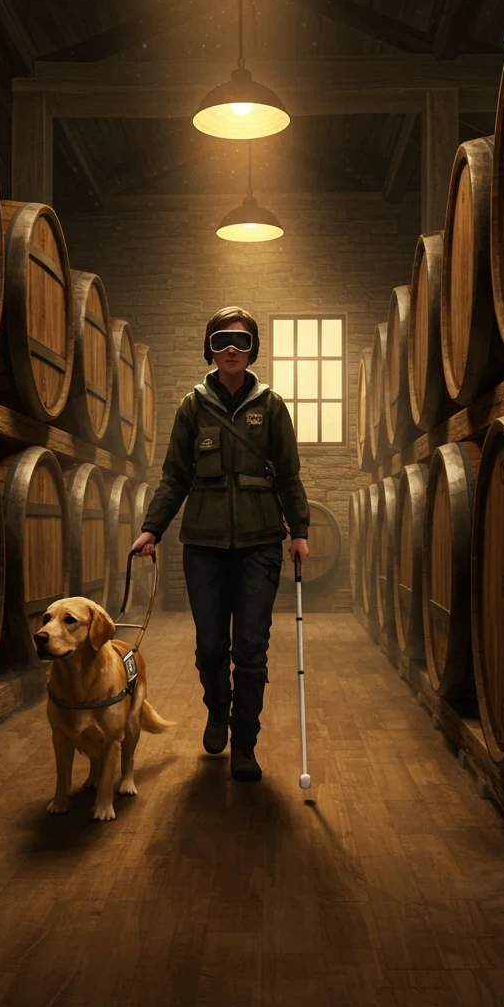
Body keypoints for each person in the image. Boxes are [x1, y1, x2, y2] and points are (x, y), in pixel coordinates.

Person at [130, 306, 310, 783]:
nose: (232, 348)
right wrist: (153, 527)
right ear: (209, 348)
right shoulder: (192, 406)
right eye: (222, 340)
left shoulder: (272, 407)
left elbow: (289, 476)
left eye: (242, 341)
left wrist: (301, 531)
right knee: (211, 647)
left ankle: (245, 743)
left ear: (253, 350)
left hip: (260, 544)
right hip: (204, 545)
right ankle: (217, 710)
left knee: (251, 649)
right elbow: (175, 476)